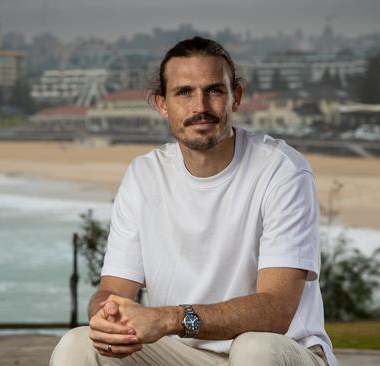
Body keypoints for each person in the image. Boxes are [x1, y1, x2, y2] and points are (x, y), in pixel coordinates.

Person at [50, 36, 338, 366]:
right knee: (78, 344)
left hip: (282, 351)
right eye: (184, 92)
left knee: (254, 350)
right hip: (180, 354)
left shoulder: (282, 170)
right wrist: (106, 316)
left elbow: (277, 311)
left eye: (214, 90)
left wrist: (170, 319)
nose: (199, 106)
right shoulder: (144, 175)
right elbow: (113, 289)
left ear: (236, 98)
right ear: (161, 104)